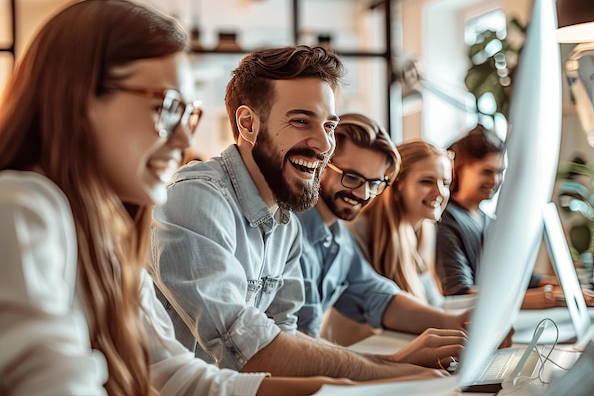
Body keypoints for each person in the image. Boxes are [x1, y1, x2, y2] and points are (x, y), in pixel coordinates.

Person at [0, 0, 420, 396]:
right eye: (166, 107)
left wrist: (371, 385)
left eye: (188, 112)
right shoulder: (22, 206)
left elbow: (182, 378)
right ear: (81, 98)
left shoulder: (108, 236)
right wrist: (388, 376)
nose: (185, 138)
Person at [150, 46, 447, 380]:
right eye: (301, 121)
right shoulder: (197, 198)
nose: (323, 145)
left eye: (329, 125)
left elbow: (285, 337)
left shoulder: (284, 221)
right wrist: (391, 370)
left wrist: (396, 368)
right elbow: (247, 345)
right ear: (248, 123)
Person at [296, 115, 467, 358]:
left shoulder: (338, 238)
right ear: (321, 164)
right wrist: (394, 362)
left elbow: (379, 298)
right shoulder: (291, 235)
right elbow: (292, 342)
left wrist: (457, 322)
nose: (363, 193)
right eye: (352, 177)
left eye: (374, 183)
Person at [435, 124, 559, 309]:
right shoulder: (445, 221)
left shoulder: (485, 220)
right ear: (458, 169)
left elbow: (515, 275)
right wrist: (534, 299)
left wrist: (560, 287)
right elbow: (459, 292)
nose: (495, 181)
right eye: (487, 171)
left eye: (500, 172)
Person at [347, 139, 454, 308]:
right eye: (427, 181)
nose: (440, 192)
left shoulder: (425, 229)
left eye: (446, 183)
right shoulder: (359, 230)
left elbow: (435, 305)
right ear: (397, 184)